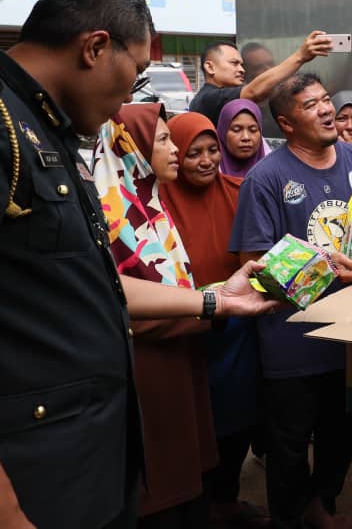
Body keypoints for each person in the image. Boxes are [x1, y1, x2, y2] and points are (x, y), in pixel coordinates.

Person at [0, 0, 274, 528]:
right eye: (136, 72)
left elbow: (87, 281)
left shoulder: (48, 129)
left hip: (74, 466)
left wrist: (218, 300)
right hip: (13, 477)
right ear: (95, 47)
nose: (132, 95)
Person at [229, 73, 352, 529]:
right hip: (291, 342)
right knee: (288, 445)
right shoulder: (265, 178)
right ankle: (292, 517)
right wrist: (324, 267)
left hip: (350, 333)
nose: (327, 109)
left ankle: (323, 503)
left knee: (344, 431)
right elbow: (253, 263)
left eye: (326, 99)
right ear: (286, 124)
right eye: (311, 105)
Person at [93, 102, 217, 528]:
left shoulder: (150, 204)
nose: (175, 149)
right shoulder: (115, 217)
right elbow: (125, 306)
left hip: (178, 359)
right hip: (146, 371)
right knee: (159, 492)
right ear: (133, 149)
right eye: (163, 140)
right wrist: (209, 305)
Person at [159, 112, 267, 528]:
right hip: (185, 329)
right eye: (193, 153)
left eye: (211, 150)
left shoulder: (241, 193)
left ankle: (226, 500)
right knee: (194, 424)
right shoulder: (156, 204)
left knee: (238, 419)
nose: (206, 161)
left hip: (237, 331)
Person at [190, 32, 333, 125]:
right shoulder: (208, 98)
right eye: (234, 63)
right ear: (210, 67)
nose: (241, 70)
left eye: (242, 65)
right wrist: (300, 56)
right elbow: (253, 92)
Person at [217, 98, 270, 179]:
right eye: (236, 130)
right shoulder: (207, 171)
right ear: (222, 133)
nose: (246, 137)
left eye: (253, 130)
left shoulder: (275, 172)